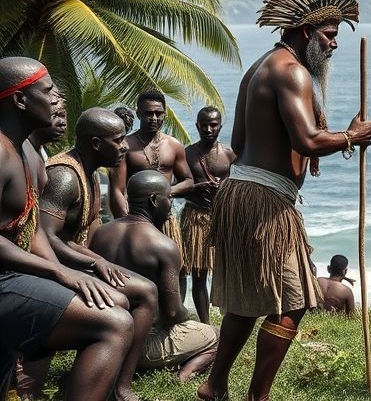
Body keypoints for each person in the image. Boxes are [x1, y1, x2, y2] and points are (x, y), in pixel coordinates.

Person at [198, 0, 371, 401]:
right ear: (305, 30)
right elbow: (308, 140)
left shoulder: (259, 67)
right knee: (293, 299)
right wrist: (352, 136)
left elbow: (239, 143)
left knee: (244, 301)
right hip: (264, 201)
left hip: (241, 191)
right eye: (330, 34)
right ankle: (257, 396)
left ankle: (214, 386)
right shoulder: (291, 71)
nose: (334, 44)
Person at [0, 57, 133, 401]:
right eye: (48, 92)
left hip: (14, 276)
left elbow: (35, 232)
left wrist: (66, 271)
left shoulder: (27, 152)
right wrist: (59, 274)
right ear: (19, 100)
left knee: (114, 300)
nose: (59, 99)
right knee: (114, 323)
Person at [21, 108, 159, 401]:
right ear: (96, 144)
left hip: (71, 262)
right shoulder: (65, 177)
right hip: (48, 268)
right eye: (118, 140)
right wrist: (94, 262)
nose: (124, 146)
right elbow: (44, 237)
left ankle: (117, 387)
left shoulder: (92, 171)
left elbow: (86, 232)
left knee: (146, 291)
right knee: (121, 301)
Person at [91, 170, 219, 383]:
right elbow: (171, 313)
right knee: (217, 335)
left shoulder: (102, 233)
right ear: (153, 200)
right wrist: (188, 317)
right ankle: (184, 376)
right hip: (139, 346)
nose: (170, 204)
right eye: (168, 198)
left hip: (102, 338)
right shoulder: (163, 245)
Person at [109, 89, 194, 280]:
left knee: (175, 272)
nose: (154, 118)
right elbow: (117, 189)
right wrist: (127, 222)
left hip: (166, 219)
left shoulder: (174, 146)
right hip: (136, 218)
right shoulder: (126, 146)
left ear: (165, 113)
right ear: (138, 113)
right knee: (138, 272)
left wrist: (166, 192)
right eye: (148, 113)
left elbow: (188, 182)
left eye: (158, 113)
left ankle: (173, 309)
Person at [181, 106, 236, 324]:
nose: (208, 129)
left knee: (226, 271)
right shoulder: (187, 154)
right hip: (195, 218)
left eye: (213, 125)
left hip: (222, 218)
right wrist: (198, 186)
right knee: (199, 274)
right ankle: (206, 324)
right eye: (204, 125)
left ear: (220, 126)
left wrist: (223, 188)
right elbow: (175, 185)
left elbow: (239, 185)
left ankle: (229, 320)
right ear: (197, 126)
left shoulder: (230, 154)